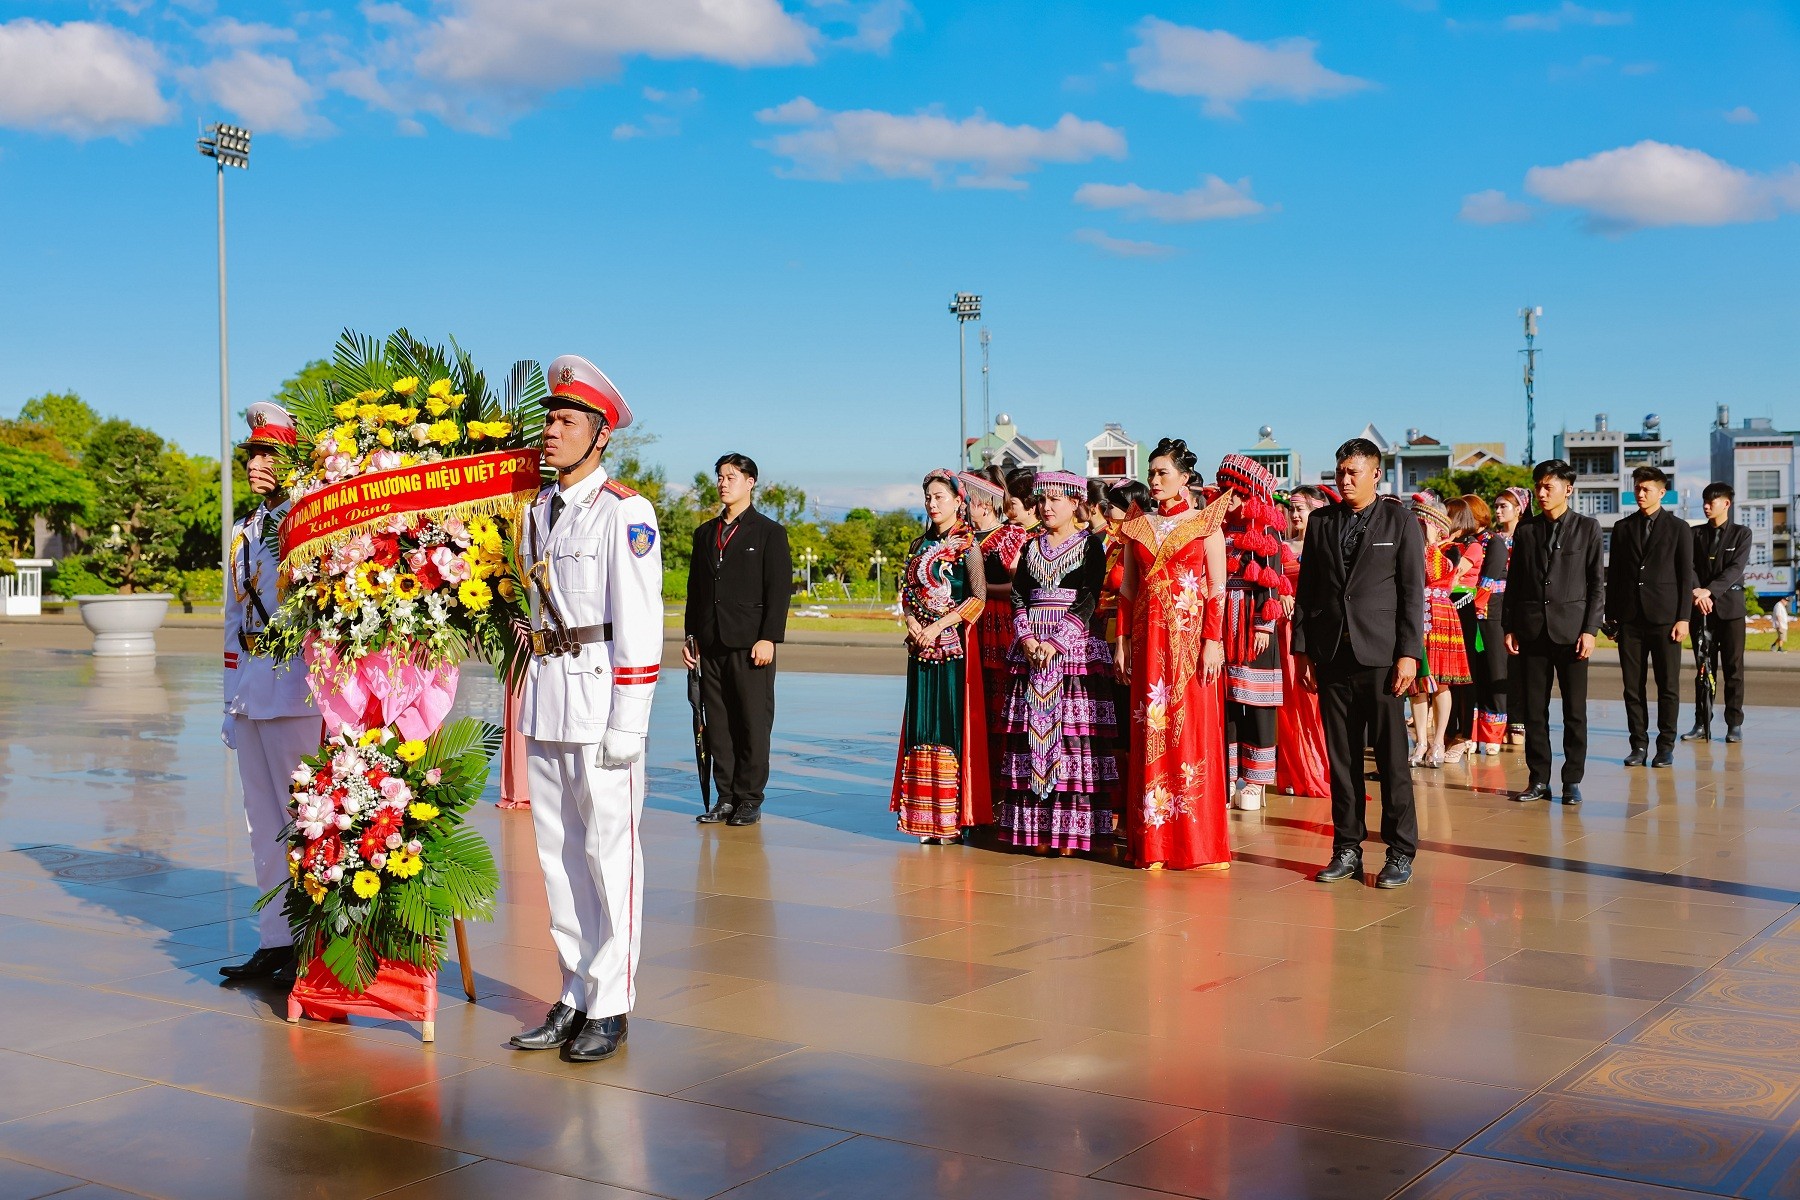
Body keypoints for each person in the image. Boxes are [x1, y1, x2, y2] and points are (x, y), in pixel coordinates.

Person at [510, 354, 662, 1065]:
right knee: (559, 861)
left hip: (602, 704)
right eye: (549, 417)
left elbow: (638, 620)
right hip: (546, 699)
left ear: (602, 435)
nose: (551, 430)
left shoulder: (626, 512)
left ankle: (612, 1004)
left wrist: (631, 721)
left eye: (567, 420)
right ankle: (574, 993)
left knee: (609, 860)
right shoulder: (539, 510)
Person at [1291, 438, 1424, 889]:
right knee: (1341, 759)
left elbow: (1412, 592)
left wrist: (1410, 653)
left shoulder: (1399, 520)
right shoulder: (1322, 522)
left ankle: (1400, 851)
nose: (1345, 480)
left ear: (1375, 474)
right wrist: (1303, 650)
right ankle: (1346, 847)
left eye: (1354, 472)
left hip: (1382, 656)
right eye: (1341, 471)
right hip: (1331, 655)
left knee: (1391, 760)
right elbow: (1307, 591)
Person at [218, 402, 317, 986]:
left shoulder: (307, 524)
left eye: (268, 453)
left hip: (296, 688)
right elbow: (233, 623)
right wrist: (229, 701)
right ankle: (276, 941)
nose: (257, 463)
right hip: (253, 688)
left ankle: (312, 943)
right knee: (262, 823)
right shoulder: (244, 532)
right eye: (252, 452)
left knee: (303, 820)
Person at [1116, 438, 1232, 871]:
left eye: (1163, 472)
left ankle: (1197, 842)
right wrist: (1123, 641)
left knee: (1193, 730)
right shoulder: (1137, 524)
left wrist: (1213, 641)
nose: (1155, 480)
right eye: (1151, 473)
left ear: (1185, 478)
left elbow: (1217, 588)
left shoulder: (1206, 523)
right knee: (1151, 731)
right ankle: (1155, 843)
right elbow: (1128, 589)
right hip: (1148, 645)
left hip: (1190, 643)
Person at [996, 471, 1121, 854]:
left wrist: (1055, 641)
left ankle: (1071, 834)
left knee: (1070, 739)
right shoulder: (1031, 546)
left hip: (1073, 652)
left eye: (1056, 500)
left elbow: (1087, 599)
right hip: (1032, 650)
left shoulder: (1090, 547)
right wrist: (1029, 637)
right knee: (1031, 736)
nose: (1047, 508)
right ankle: (1037, 832)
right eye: (1042, 501)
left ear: (1074, 503)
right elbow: (1019, 596)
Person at [683, 453, 792, 826]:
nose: (723, 482)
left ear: (750, 482)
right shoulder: (704, 534)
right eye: (719, 476)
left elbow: (778, 590)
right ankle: (725, 797)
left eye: (731, 476)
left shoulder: (769, 532)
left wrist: (769, 638)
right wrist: (691, 638)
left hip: (750, 646)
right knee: (718, 724)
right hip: (711, 643)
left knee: (752, 723)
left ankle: (749, 798)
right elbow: (695, 591)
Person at [891, 470, 990, 844]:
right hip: (921, 649)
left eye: (940, 497)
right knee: (922, 725)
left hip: (953, 652)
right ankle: (921, 817)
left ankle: (949, 819)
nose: (933, 504)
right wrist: (915, 623)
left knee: (948, 725)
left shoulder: (968, 547)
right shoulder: (918, 545)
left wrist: (937, 627)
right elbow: (908, 595)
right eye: (928, 498)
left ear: (958, 501)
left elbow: (976, 598)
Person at [1503, 459, 1604, 806]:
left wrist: (1591, 630)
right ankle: (1538, 778)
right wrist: (1509, 625)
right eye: (1539, 486)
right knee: (1534, 711)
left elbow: (1596, 585)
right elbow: (1513, 582)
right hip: (1532, 631)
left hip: (1574, 632)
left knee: (1575, 711)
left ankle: (1572, 780)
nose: (1542, 493)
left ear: (1568, 489)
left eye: (1549, 486)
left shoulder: (1588, 528)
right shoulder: (1526, 530)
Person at [1605, 465, 1693, 769]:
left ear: (1661, 492)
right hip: (1630, 619)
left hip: (1667, 619)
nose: (1640, 494)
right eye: (1637, 488)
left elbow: (1685, 576)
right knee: (1633, 687)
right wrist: (1610, 616)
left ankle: (1665, 745)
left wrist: (1684, 617)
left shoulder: (1679, 528)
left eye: (1647, 489)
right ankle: (1638, 744)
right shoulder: (1622, 527)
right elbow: (1614, 575)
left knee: (1668, 685)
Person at [1216, 454, 1290, 811]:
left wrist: (1264, 623)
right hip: (1223, 620)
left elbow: (1272, 583)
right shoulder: (1220, 528)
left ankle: (1257, 783)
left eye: (1234, 494)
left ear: (1249, 494)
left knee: (1257, 703)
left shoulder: (1265, 530)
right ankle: (1229, 775)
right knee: (1228, 702)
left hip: (1252, 621)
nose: (1228, 500)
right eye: (1225, 492)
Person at [963, 468, 1029, 783]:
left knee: (1000, 700)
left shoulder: (1010, 535)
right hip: (973, 621)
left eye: (968, 501)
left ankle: (1001, 780)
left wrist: (981, 591)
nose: (964, 507)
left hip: (999, 621)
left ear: (985, 504)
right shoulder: (962, 537)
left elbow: (1021, 586)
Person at [1684, 482, 1751, 743]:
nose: (1706, 506)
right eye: (1705, 501)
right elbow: (1687, 566)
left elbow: (1735, 569)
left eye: (1713, 501)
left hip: (1730, 609)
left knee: (1734, 669)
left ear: (1727, 504)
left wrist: (1709, 591)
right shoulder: (1693, 534)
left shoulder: (1741, 534)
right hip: (1701, 611)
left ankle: (1734, 723)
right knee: (1703, 668)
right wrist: (1697, 592)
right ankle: (1701, 722)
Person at [1408, 494, 1472, 769]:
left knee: (1441, 683)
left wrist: (1431, 542)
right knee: (1416, 683)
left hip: (1441, 617)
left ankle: (1438, 742)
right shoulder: (1411, 549)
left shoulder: (1450, 550)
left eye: (1423, 523)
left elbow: (1434, 574)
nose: (1418, 529)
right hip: (1414, 616)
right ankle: (1421, 740)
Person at [1276, 486, 1331, 799]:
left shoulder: (1325, 545)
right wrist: (1280, 592)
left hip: (1313, 629)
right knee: (1288, 704)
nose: (1295, 515)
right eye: (1293, 509)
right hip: (1284, 631)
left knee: (1313, 704)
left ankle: (1319, 768)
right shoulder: (1280, 547)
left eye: (1302, 509)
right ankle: (1294, 771)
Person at [1472, 487, 1525, 755]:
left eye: (1505, 505)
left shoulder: (1528, 536)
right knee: (1492, 666)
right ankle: (1493, 728)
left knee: (1514, 670)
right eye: (1497, 505)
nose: (1499, 509)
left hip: (1518, 608)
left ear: (1519, 508)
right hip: (1491, 609)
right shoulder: (1489, 539)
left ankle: (1516, 723)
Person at [1443, 495, 1488, 758]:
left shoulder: (1472, 546)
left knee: (1466, 674)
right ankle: (1448, 731)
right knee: (1446, 674)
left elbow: (1454, 572)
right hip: (1444, 607)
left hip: (1463, 605)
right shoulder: (1447, 545)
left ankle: (1465, 735)